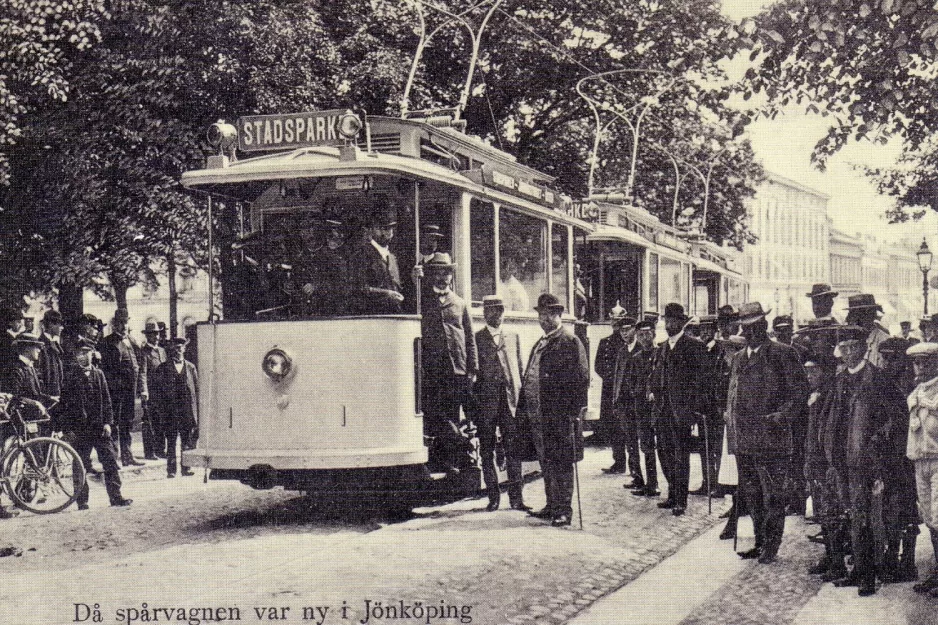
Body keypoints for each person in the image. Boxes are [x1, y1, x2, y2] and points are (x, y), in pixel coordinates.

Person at [725, 302, 808, 564]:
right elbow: (734, 394)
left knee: (773, 495)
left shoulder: (783, 354)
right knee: (752, 496)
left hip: (772, 439)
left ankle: (771, 545)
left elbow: (800, 393)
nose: (750, 333)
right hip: (746, 440)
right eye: (746, 328)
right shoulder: (739, 358)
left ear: (764, 327)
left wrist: (781, 417)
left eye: (755, 327)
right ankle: (760, 541)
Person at [826, 328, 906, 596]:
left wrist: (878, 449)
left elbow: (896, 419)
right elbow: (833, 421)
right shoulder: (839, 380)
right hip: (842, 461)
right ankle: (859, 570)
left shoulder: (878, 379)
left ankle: (867, 577)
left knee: (867, 520)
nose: (848, 353)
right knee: (851, 516)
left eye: (852, 347)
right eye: (843, 347)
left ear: (864, 348)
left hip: (867, 464)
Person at [520, 293, 589, 527]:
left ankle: (564, 510)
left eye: (550, 314)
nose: (545, 319)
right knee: (546, 461)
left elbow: (582, 378)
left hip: (560, 416)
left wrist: (574, 411)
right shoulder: (540, 343)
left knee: (561, 462)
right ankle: (551, 505)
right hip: (539, 414)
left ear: (559, 315)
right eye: (541, 314)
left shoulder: (569, 341)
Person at [419, 252, 478, 477]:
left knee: (453, 415)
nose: (442, 277)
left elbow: (469, 337)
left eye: (446, 273)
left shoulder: (460, 303)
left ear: (451, 276)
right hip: (434, 370)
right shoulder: (423, 301)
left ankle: (453, 462)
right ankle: (445, 458)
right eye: (437, 273)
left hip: (457, 369)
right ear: (431, 276)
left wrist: (472, 368)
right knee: (436, 416)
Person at [55, 338, 132, 509]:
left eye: (85, 352)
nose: (82, 357)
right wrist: (67, 429)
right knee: (79, 465)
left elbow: (107, 401)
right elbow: (64, 406)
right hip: (80, 430)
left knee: (110, 461)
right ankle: (82, 501)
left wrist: (108, 423)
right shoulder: (70, 377)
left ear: (92, 353)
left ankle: (116, 496)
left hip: (99, 428)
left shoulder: (99, 374)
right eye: (79, 353)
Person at [649, 303, 705, 516]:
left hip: (682, 411)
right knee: (664, 453)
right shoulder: (662, 347)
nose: (669, 324)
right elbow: (655, 375)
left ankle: (680, 499)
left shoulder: (694, 346)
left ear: (681, 322)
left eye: (673, 320)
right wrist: (653, 391)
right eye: (667, 320)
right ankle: (672, 493)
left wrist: (695, 408)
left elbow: (701, 380)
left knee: (681, 456)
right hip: (662, 410)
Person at [474, 295, 528, 511]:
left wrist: (521, 400)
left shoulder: (513, 336)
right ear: (484, 313)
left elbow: (520, 370)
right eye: (490, 310)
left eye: (499, 310)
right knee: (486, 451)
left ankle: (517, 499)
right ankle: (493, 497)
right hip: (486, 404)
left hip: (510, 403)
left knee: (514, 451)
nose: (495, 314)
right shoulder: (477, 338)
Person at [877, 337, 920, 584]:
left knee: (907, 509)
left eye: (891, 358)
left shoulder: (910, 386)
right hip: (888, 455)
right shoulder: (885, 383)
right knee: (889, 508)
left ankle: (908, 560)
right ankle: (892, 556)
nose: (885, 363)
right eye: (883, 358)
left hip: (906, 456)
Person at [906, 342, 938, 596]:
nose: (919, 367)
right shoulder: (916, 392)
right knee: (929, 519)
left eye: (924, 362)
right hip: (920, 461)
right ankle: (936, 572)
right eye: (916, 362)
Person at [99, 308, 147, 466]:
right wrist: (114, 386)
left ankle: (127, 456)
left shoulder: (132, 341)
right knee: (113, 423)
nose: (123, 326)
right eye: (120, 323)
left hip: (129, 391)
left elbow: (140, 364)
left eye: (125, 322)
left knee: (127, 422)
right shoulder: (107, 342)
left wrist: (141, 387)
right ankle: (113, 457)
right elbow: (106, 369)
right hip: (115, 391)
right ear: (114, 324)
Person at [802, 358, 836, 576]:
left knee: (831, 510)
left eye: (813, 372)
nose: (809, 377)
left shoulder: (830, 395)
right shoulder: (813, 395)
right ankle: (829, 554)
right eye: (807, 373)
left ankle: (835, 558)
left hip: (826, 461)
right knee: (821, 511)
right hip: (814, 459)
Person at [151, 338, 199, 478]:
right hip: (170, 411)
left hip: (186, 411)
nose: (178, 351)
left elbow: (196, 390)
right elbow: (157, 391)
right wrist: (161, 410)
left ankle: (186, 468)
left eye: (180, 348)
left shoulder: (190, 367)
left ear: (184, 349)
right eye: (175, 348)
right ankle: (171, 470)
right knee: (171, 441)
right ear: (171, 350)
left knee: (186, 440)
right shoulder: (163, 368)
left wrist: (196, 412)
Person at [349, 200, 404, 314]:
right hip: (371, 318)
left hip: (393, 318)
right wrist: (386, 294)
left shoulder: (393, 257)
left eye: (390, 228)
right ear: (371, 230)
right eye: (382, 228)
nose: (387, 232)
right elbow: (357, 289)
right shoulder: (361, 255)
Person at [626, 318, 659, 497]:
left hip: (659, 407)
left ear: (654, 334)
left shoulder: (661, 354)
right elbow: (631, 381)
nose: (644, 338)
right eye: (640, 335)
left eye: (647, 334)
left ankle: (672, 488)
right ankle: (651, 484)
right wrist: (637, 392)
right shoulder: (636, 358)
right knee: (646, 445)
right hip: (641, 406)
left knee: (662, 446)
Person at [694, 315, 726, 497]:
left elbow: (721, 379)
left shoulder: (721, 351)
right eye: (702, 330)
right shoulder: (698, 350)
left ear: (715, 331)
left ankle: (719, 484)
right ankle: (707, 482)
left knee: (717, 447)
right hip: (702, 406)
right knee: (703, 446)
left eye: (708, 330)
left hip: (716, 407)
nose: (705, 333)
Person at [594, 303, 628, 454]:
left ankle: (629, 463)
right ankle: (618, 460)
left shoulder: (628, 342)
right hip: (608, 388)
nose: (615, 325)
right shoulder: (605, 342)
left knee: (624, 425)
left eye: (618, 322)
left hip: (624, 389)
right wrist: (610, 379)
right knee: (612, 425)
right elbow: (598, 365)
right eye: (613, 321)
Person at [610, 314, 640, 482]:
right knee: (630, 442)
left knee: (644, 444)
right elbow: (617, 377)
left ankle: (650, 481)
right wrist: (615, 400)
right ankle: (636, 476)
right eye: (622, 331)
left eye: (627, 330)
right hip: (624, 404)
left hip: (637, 402)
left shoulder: (640, 349)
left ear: (634, 330)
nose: (624, 334)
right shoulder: (622, 351)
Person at [139, 321, 168, 460]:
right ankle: (149, 452)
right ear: (148, 336)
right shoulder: (144, 352)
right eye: (152, 334)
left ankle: (161, 450)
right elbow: (142, 372)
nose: (156, 336)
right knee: (149, 422)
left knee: (161, 421)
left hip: (162, 392)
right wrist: (144, 391)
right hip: (151, 392)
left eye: (157, 333)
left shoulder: (162, 350)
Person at [844, 294, 889, 368]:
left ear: (872, 314)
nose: (856, 321)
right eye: (853, 314)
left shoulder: (884, 340)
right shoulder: (847, 341)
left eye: (861, 314)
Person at [38, 310, 65, 405]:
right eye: (59, 324)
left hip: (58, 397)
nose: (62, 328)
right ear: (50, 325)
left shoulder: (56, 345)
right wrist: (48, 397)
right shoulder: (41, 346)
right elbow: (38, 376)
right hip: (47, 399)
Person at [0, 307, 25, 386]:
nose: (21, 325)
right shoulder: (4, 338)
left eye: (21, 322)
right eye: (18, 322)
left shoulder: (19, 338)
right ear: (10, 323)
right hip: (6, 375)